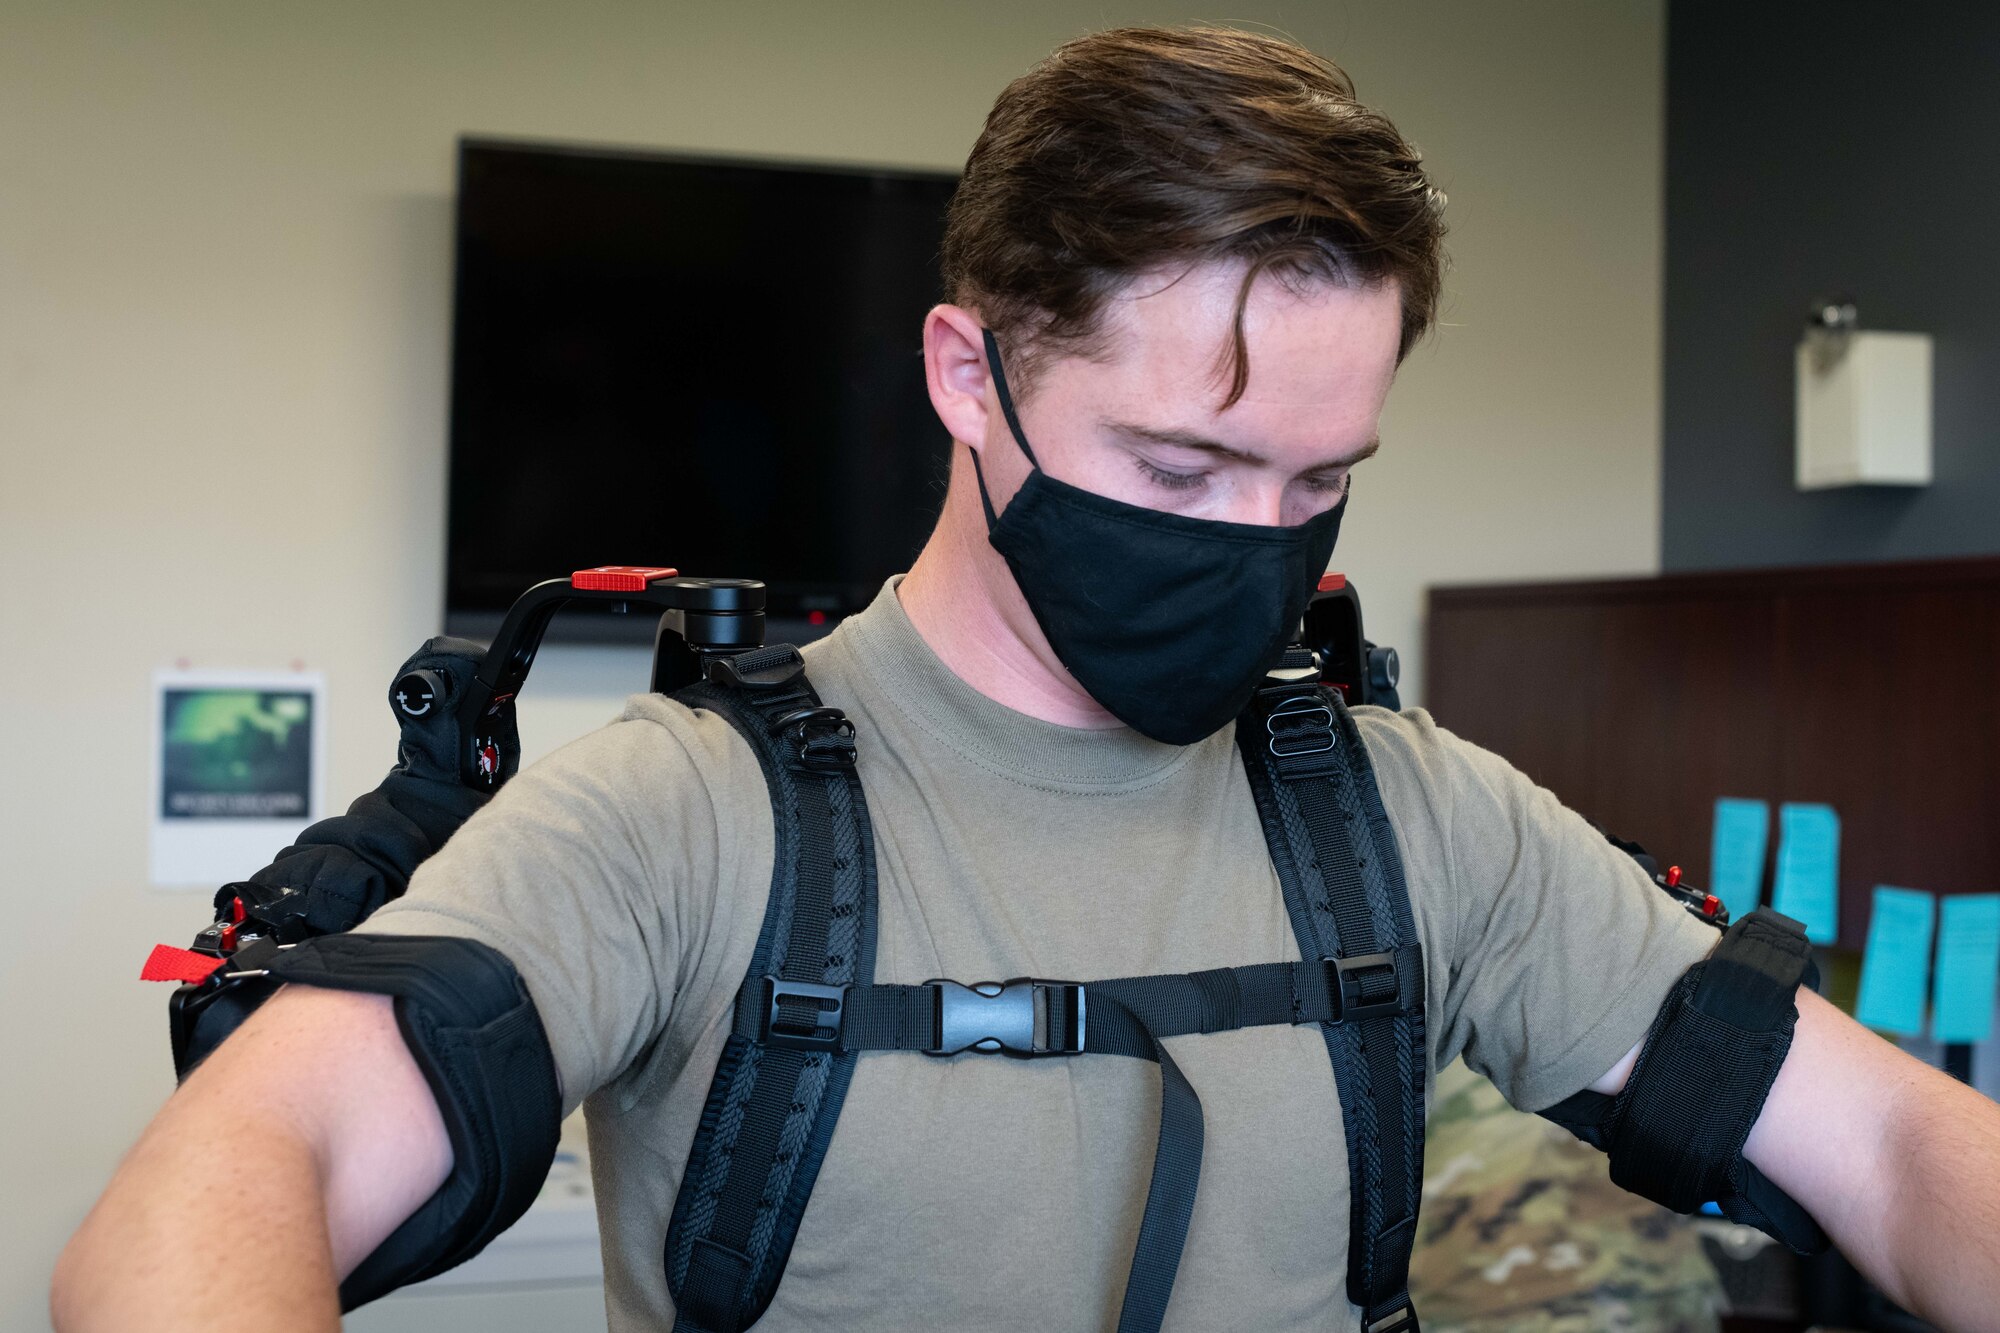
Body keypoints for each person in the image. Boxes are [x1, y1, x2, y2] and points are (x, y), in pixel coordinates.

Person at [53, 25, 2000, 1333]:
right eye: (1177, 469)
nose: (1255, 536)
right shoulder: (687, 813)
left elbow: (1899, 1147)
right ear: (966, 376)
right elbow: (242, 1164)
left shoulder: (1410, 812)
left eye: (1318, 481)